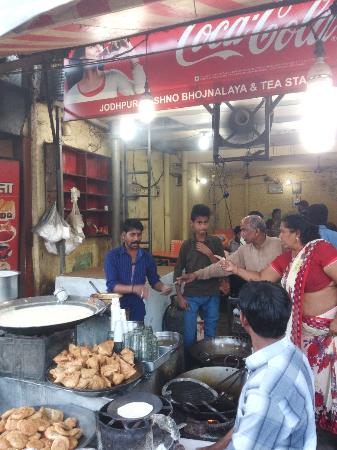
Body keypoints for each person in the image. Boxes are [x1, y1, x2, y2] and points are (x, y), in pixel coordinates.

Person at [219, 214, 337, 434]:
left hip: (327, 332)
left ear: (297, 233)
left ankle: (322, 425)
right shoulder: (288, 260)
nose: (279, 235)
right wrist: (234, 269)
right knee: (306, 380)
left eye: (283, 231)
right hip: (301, 332)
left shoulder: (322, 250)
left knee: (324, 383)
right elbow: (262, 277)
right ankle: (309, 419)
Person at [198, 281, 316, 450]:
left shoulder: (264, 393)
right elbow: (245, 421)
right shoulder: (295, 354)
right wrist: (217, 446)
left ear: (243, 319)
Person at [173, 204, 224, 350]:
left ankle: (209, 364)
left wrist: (209, 254)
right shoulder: (187, 245)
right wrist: (179, 296)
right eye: (199, 223)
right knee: (189, 336)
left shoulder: (215, 242)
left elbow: (223, 267)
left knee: (211, 335)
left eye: (205, 222)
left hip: (212, 293)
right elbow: (178, 269)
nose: (202, 227)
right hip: (192, 295)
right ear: (192, 224)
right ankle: (189, 368)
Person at [177, 215, 283, 286]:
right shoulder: (244, 250)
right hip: (255, 299)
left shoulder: (279, 245)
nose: (241, 234)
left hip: (277, 301)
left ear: (257, 231)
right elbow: (222, 267)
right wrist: (196, 274)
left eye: (244, 230)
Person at [104, 219, 171, 321]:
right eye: (132, 235)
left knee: (137, 335)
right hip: (117, 305)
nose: (136, 238)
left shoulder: (146, 257)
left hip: (137, 306)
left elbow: (154, 281)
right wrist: (135, 288)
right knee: (118, 335)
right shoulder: (112, 256)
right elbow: (112, 286)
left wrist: (163, 287)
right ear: (123, 236)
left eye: (139, 235)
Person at [65, 39, 146, 103]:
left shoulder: (114, 77)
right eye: (92, 46)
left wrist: (131, 54)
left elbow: (139, 93)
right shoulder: (72, 94)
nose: (99, 49)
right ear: (81, 58)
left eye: (100, 45)